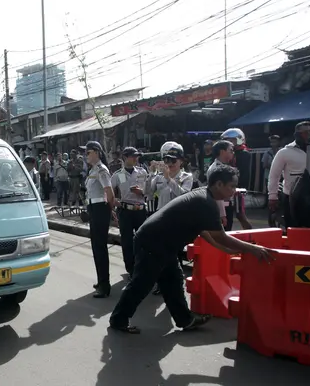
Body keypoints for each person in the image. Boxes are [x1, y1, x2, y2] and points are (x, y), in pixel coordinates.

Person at [109, 165, 277, 334]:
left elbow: (203, 231)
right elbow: (221, 236)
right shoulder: (206, 202)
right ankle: (118, 319)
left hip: (162, 244)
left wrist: (224, 250)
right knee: (142, 284)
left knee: (173, 281)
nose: (234, 190)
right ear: (218, 184)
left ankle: (185, 319)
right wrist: (252, 249)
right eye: (231, 186)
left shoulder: (203, 196)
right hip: (153, 242)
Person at [268, 121, 310, 228]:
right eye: (306, 132)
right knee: (293, 226)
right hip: (292, 196)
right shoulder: (284, 152)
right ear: (297, 134)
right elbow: (274, 175)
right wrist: (272, 196)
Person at [84, 141, 117, 298]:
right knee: (96, 247)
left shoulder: (102, 169)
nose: (86, 155)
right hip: (94, 209)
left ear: (97, 152)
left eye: (88, 152)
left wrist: (112, 210)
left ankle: (105, 285)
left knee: (100, 248)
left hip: (100, 210)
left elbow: (109, 191)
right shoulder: (93, 170)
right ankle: (101, 280)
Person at [110, 147, 148, 276]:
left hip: (140, 210)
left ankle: (141, 266)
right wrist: (113, 202)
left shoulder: (142, 172)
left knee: (142, 240)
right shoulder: (118, 175)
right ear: (125, 158)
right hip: (125, 211)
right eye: (133, 156)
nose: (136, 159)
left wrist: (142, 192)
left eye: (137, 156)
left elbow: (151, 191)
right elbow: (109, 191)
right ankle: (131, 269)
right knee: (127, 242)